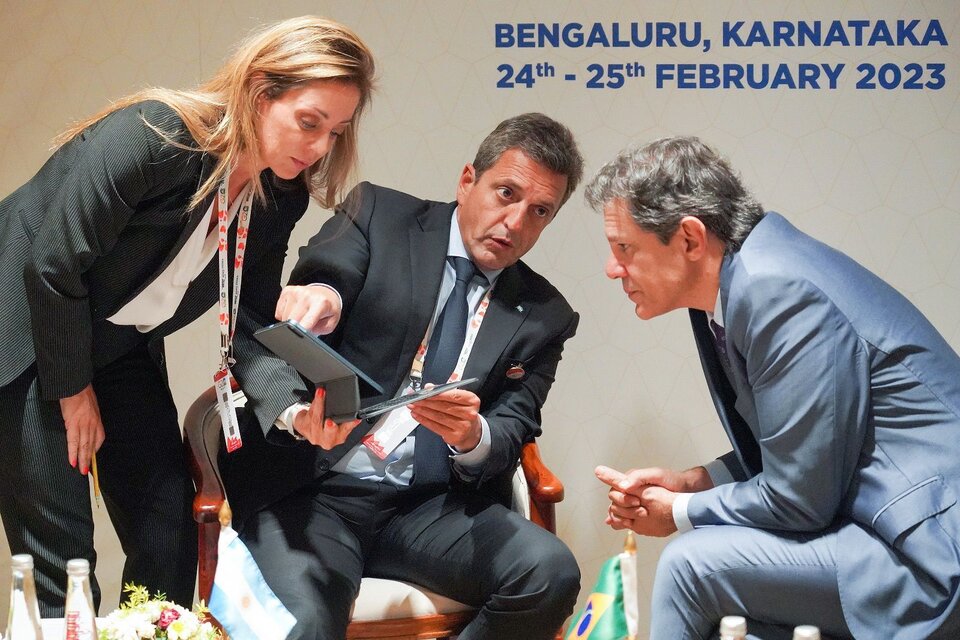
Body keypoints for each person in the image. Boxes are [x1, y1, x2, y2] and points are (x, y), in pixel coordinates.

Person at [0, 16, 375, 616]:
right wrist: (73, 392)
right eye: (310, 122)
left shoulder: (280, 195)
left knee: (168, 528)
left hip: (117, 344)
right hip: (24, 327)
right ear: (259, 93)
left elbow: (252, 320)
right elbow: (52, 263)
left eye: (335, 132)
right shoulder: (153, 137)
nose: (319, 147)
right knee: (63, 562)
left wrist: (294, 411)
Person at [220, 112, 584, 640]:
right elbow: (329, 273)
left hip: (428, 508)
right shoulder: (379, 215)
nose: (515, 222)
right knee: (307, 622)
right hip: (317, 489)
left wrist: (471, 436)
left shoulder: (546, 315)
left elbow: (512, 427)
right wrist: (324, 297)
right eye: (506, 193)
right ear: (467, 181)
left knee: (549, 573)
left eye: (540, 211)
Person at [586, 136, 960, 639]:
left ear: (691, 239)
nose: (612, 268)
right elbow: (803, 447)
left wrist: (678, 512)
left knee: (690, 566)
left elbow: (799, 500)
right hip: (885, 528)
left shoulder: (776, 289)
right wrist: (695, 482)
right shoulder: (745, 278)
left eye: (625, 248)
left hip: (930, 551)